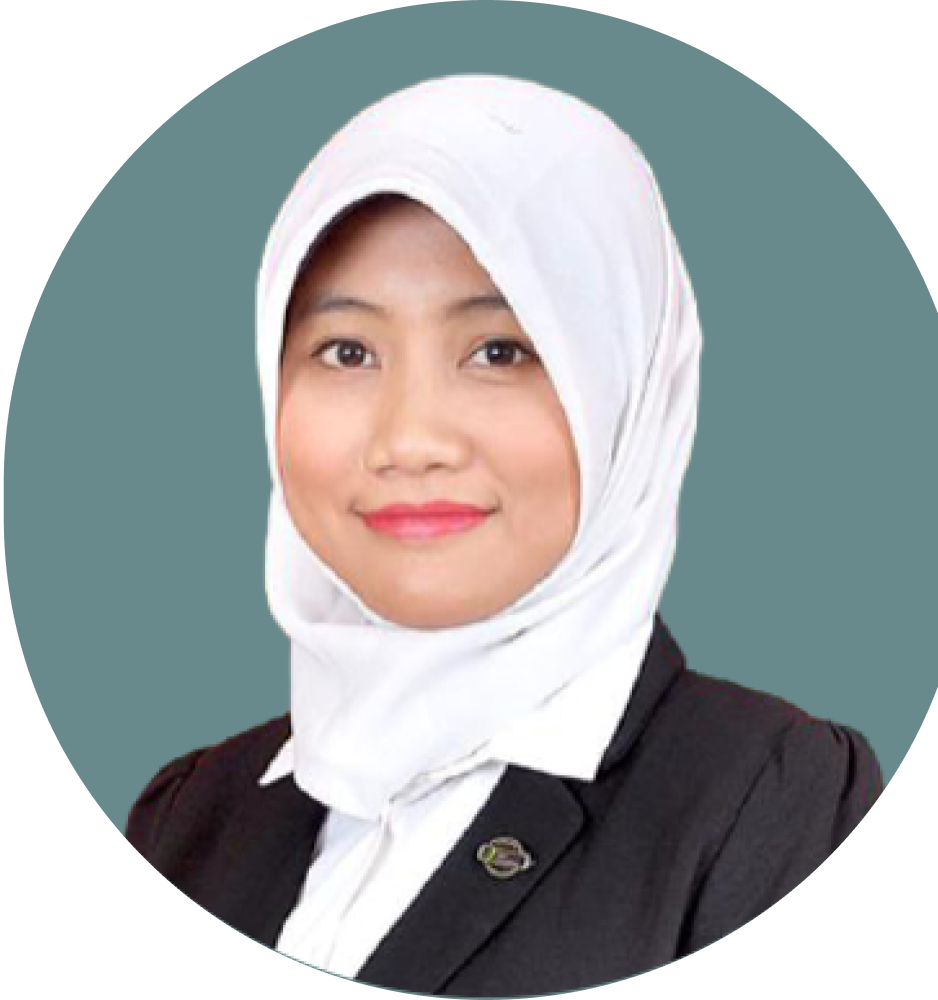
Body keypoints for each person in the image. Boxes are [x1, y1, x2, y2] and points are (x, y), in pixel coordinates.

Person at [125, 74, 883, 993]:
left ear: (626, 391)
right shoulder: (193, 818)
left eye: (500, 351)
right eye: (347, 352)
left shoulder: (768, 805)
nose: (410, 441)